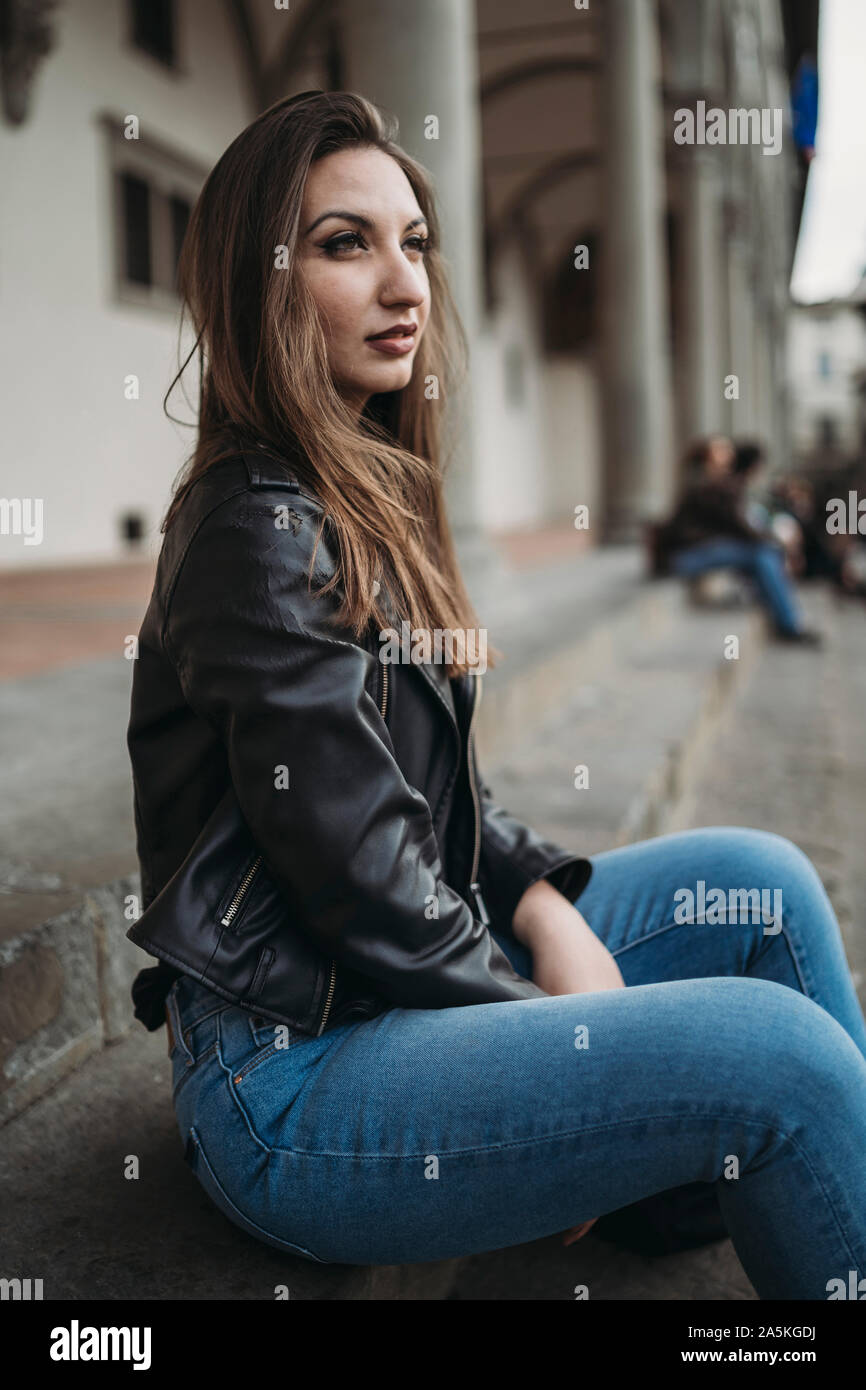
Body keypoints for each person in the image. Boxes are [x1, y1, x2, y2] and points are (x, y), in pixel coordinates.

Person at [126, 92, 866, 1298]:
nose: (404, 283)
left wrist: (539, 902)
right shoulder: (254, 535)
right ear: (255, 280)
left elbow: (443, 804)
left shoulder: (364, 496)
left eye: (412, 241)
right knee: (779, 1061)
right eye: (343, 242)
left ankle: (728, 1185)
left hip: (387, 985)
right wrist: (544, 1019)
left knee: (768, 888)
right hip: (293, 1073)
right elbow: (363, 880)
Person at [657, 437, 822, 644]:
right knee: (760, 553)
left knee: (761, 554)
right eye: (721, 450)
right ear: (709, 458)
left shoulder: (715, 485)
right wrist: (780, 544)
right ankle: (789, 623)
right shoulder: (709, 486)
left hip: (695, 552)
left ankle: (785, 618)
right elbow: (742, 529)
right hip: (684, 557)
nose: (729, 453)